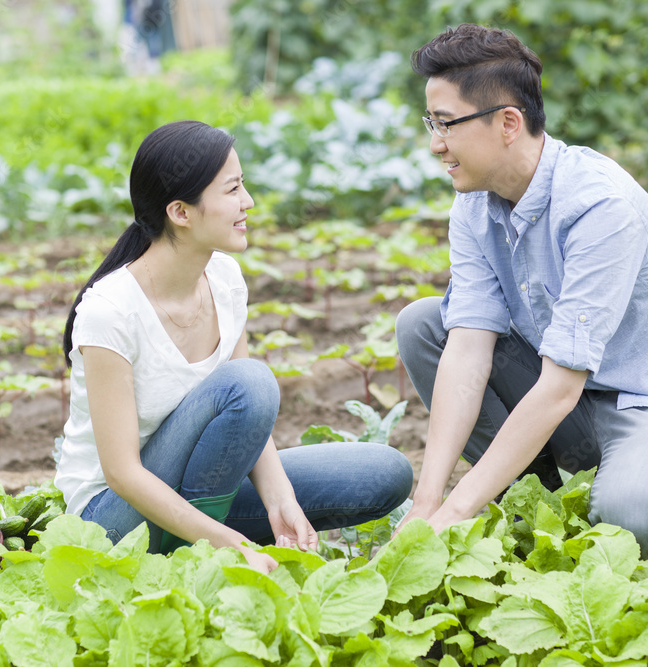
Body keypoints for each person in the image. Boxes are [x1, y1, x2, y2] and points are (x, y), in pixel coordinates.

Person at [394, 24, 648, 557]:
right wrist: (426, 506)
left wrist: (457, 509)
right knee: (425, 326)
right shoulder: (474, 205)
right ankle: (537, 506)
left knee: (632, 513)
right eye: (431, 123)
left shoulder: (597, 206)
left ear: (508, 122)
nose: (435, 143)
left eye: (446, 124)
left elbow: (558, 385)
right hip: (580, 412)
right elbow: (467, 349)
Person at [54, 120, 413, 573]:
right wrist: (228, 542)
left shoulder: (223, 278)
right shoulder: (111, 310)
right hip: (113, 520)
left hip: (195, 492)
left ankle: (196, 541)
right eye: (233, 190)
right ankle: (205, 553)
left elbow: (250, 420)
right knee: (250, 380)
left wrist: (281, 500)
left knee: (383, 474)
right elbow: (123, 474)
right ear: (180, 212)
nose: (249, 203)